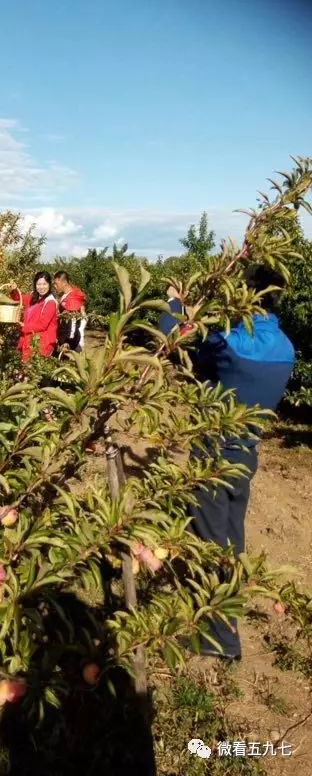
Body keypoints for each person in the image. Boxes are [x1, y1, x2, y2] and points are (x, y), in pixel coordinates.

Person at [161, 264, 295, 661]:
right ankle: (225, 616)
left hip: (214, 456)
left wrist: (174, 302)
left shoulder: (234, 343)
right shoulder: (286, 347)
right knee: (231, 538)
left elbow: (175, 338)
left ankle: (220, 640)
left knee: (211, 543)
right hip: (246, 455)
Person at [10, 272, 59, 362]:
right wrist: (14, 290)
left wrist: (24, 326)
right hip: (30, 340)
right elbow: (19, 298)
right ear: (35, 285)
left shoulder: (50, 302)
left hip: (42, 343)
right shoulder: (34, 298)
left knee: (35, 369)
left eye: (44, 284)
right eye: (39, 284)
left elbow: (42, 325)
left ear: (49, 285)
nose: (41, 287)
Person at [53, 270, 87, 352]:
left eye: (56, 284)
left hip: (70, 344)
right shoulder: (66, 295)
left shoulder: (73, 299)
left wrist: (67, 342)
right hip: (63, 339)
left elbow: (73, 323)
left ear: (64, 282)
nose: (55, 286)